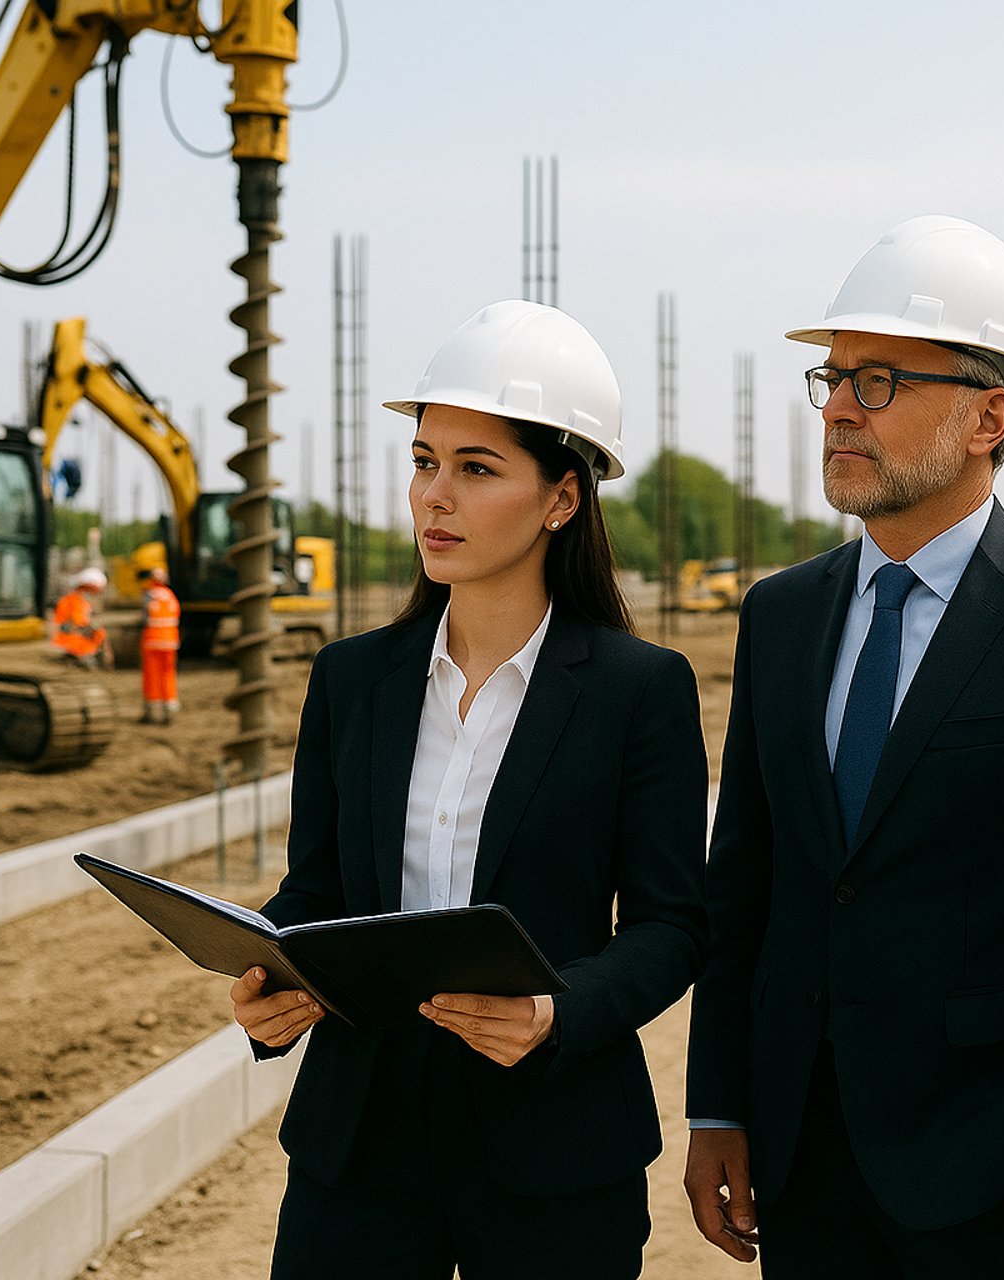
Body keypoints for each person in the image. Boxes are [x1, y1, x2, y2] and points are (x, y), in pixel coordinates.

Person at [684, 216, 1004, 1278]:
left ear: (992, 413)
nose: (840, 406)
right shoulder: (782, 614)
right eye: (834, 376)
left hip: (1000, 1165)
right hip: (804, 1161)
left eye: (882, 380)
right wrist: (720, 1103)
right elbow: (744, 886)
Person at [231, 300, 708, 1280]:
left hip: (554, 1150)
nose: (432, 497)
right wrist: (275, 973)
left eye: (475, 468)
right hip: (358, 1147)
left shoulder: (638, 690)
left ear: (561, 498)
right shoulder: (351, 678)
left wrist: (557, 1010)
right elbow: (315, 889)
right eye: (423, 460)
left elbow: (670, 924)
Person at [135, 565, 181, 723]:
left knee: (152, 676)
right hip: (170, 642)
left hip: (152, 642)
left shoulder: (149, 595)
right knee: (168, 675)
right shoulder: (171, 596)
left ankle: (152, 712)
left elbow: (144, 618)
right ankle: (169, 710)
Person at [52, 567, 110, 669]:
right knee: (100, 634)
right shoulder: (76, 601)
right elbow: (79, 624)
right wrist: (96, 633)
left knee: (99, 634)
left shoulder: (71, 599)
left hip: (64, 636)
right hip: (70, 639)